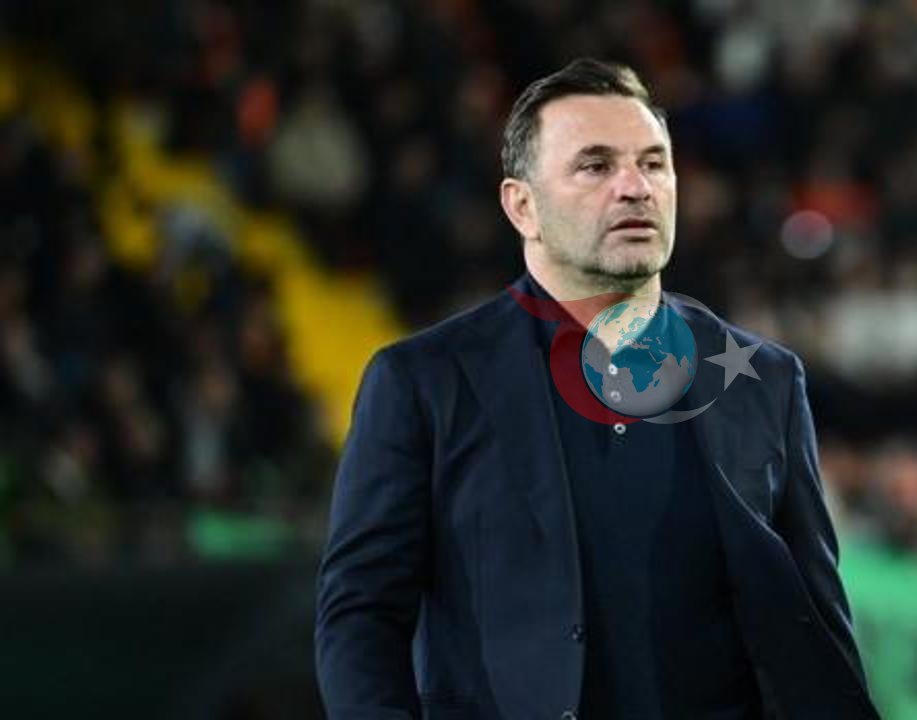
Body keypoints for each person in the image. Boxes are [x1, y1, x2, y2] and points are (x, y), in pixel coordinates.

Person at [315, 58, 880, 720]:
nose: (635, 187)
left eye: (653, 163)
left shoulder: (764, 379)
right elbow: (361, 616)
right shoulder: (424, 381)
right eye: (596, 165)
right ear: (522, 206)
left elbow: (814, 621)